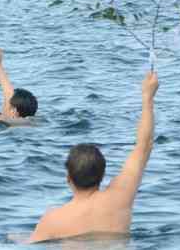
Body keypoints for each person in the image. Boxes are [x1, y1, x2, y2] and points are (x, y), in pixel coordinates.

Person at [27, 72, 158, 243]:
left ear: (68, 178)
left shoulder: (53, 220)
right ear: (103, 175)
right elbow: (144, 146)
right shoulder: (119, 198)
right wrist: (148, 98)